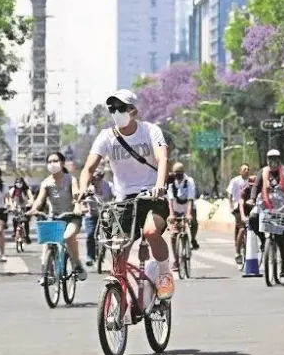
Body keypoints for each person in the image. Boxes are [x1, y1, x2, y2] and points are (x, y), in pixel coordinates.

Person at [78, 89, 174, 300]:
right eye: (112, 108)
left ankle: (165, 273)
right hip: (124, 200)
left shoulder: (150, 130)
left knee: (150, 232)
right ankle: (118, 296)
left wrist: (159, 186)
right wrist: (82, 188)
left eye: (121, 108)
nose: (116, 112)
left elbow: (162, 159)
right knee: (118, 247)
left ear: (133, 110)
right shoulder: (106, 137)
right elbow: (88, 169)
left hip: (152, 196)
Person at [32, 152, 86, 282]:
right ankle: (46, 274)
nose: (52, 164)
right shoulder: (46, 183)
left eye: (55, 161)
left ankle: (77, 264)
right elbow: (40, 199)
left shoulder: (70, 179)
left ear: (62, 163)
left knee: (68, 236)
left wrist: (78, 206)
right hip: (54, 218)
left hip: (71, 216)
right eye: (49, 162)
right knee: (47, 242)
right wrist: (34, 209)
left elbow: (76, 194)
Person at [249, 150, 284, 277]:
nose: (272, 161)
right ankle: (264, 241)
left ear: (279, 160)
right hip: (265, 204)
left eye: (275, 159)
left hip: (282, 206)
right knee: (252, 218)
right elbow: (256, 186)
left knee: (283, 237)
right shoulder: (263, 172)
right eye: (270, 159)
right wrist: (252, 198)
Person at [167, 162, 198, 270]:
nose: (178, 174)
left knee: (193, 222)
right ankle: (176, 260)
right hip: (175, 209)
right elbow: (170, 200)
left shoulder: (189, 181)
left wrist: (189, 213)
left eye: (180, 172)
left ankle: (193, 239)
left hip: (188, 207)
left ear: (183, 172)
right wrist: (171, 214)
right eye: (176, 172)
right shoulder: (170, 182)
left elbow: (190, 199)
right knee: (173, 235)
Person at [83, 168, 113, 266]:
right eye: (94, 178)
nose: (96, 180)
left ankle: (102, 253)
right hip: (91, 214)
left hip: (105, 213)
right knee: (90, 234)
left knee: (107, 234)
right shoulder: (88, 187)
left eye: (98, 177)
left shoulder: (108, 186)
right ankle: (90, 256)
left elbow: (115, 195)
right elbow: (83, 198)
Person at [227, 163, 251, 264]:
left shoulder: (251, 181)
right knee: (241, 228)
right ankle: (237, 253)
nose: (247, 171)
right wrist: (231, 206)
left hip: (249, 206)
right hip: (238, 206)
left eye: (248, 169)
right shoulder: (235, 180)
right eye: (244, 169)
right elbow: (230, 193)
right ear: (240, 171)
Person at [238, 176, 265, 254]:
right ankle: (237, 252)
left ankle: (263, 241)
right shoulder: (244, 191)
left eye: (254, 186)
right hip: (245, 210)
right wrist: (243, 216)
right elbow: (241, 205)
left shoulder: (262, 191)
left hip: (257, 210)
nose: (252, 188)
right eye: (251, 186)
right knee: (242, 229)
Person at [9, 177, 34, 244]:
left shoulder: (27, 190)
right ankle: (15, 232)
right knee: (15, 219)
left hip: (25, 207)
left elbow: (31, 198)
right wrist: (12, 206)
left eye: (20, 182)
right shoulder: (13, 190)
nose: (18, 184)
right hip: (16, 207)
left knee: (26, 221)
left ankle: (27, 236)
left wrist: (30, 203)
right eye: (17, 182)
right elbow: (9, 199)